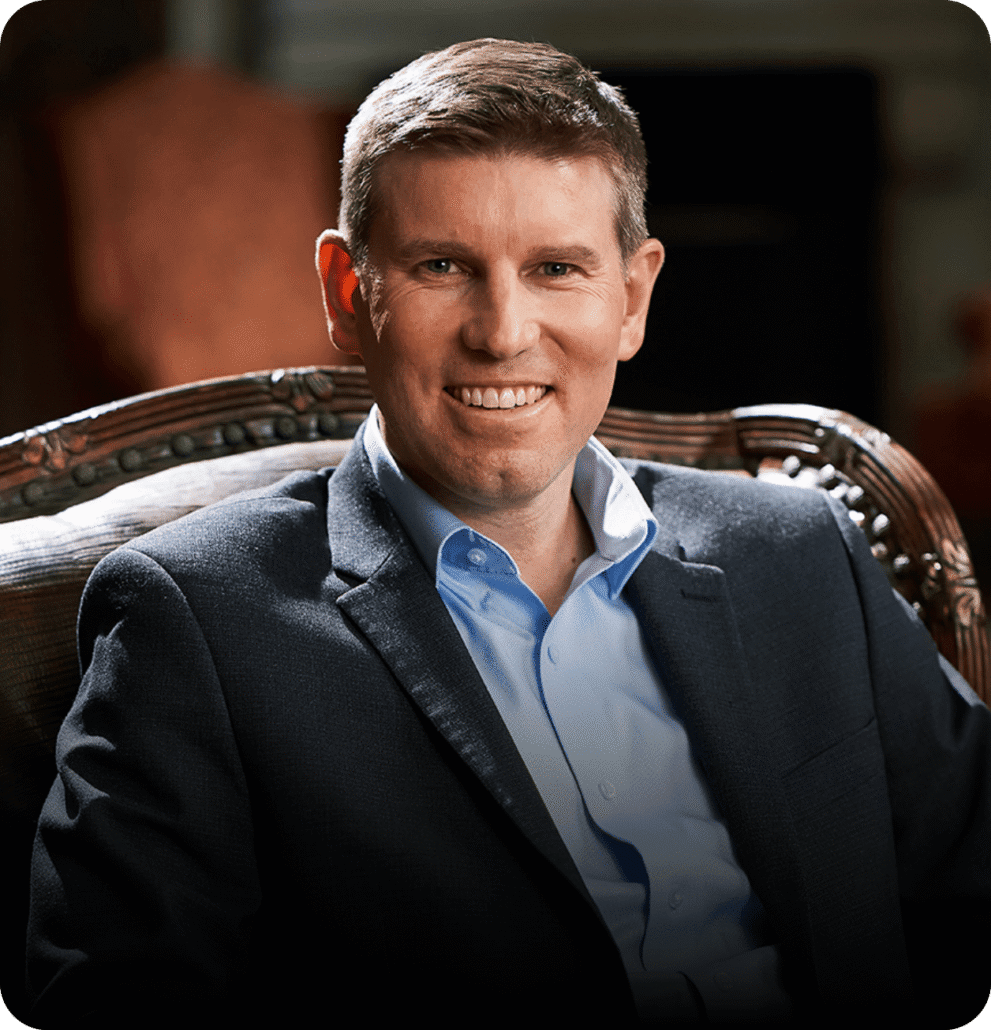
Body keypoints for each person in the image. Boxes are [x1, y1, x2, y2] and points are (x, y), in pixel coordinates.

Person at [26, 39, 990, 1028]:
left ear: (633, 296)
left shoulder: (799, 547)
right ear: (348, 294)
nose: (502, 331)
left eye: (556, 268)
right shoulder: (194, 618)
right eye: (442, 265)